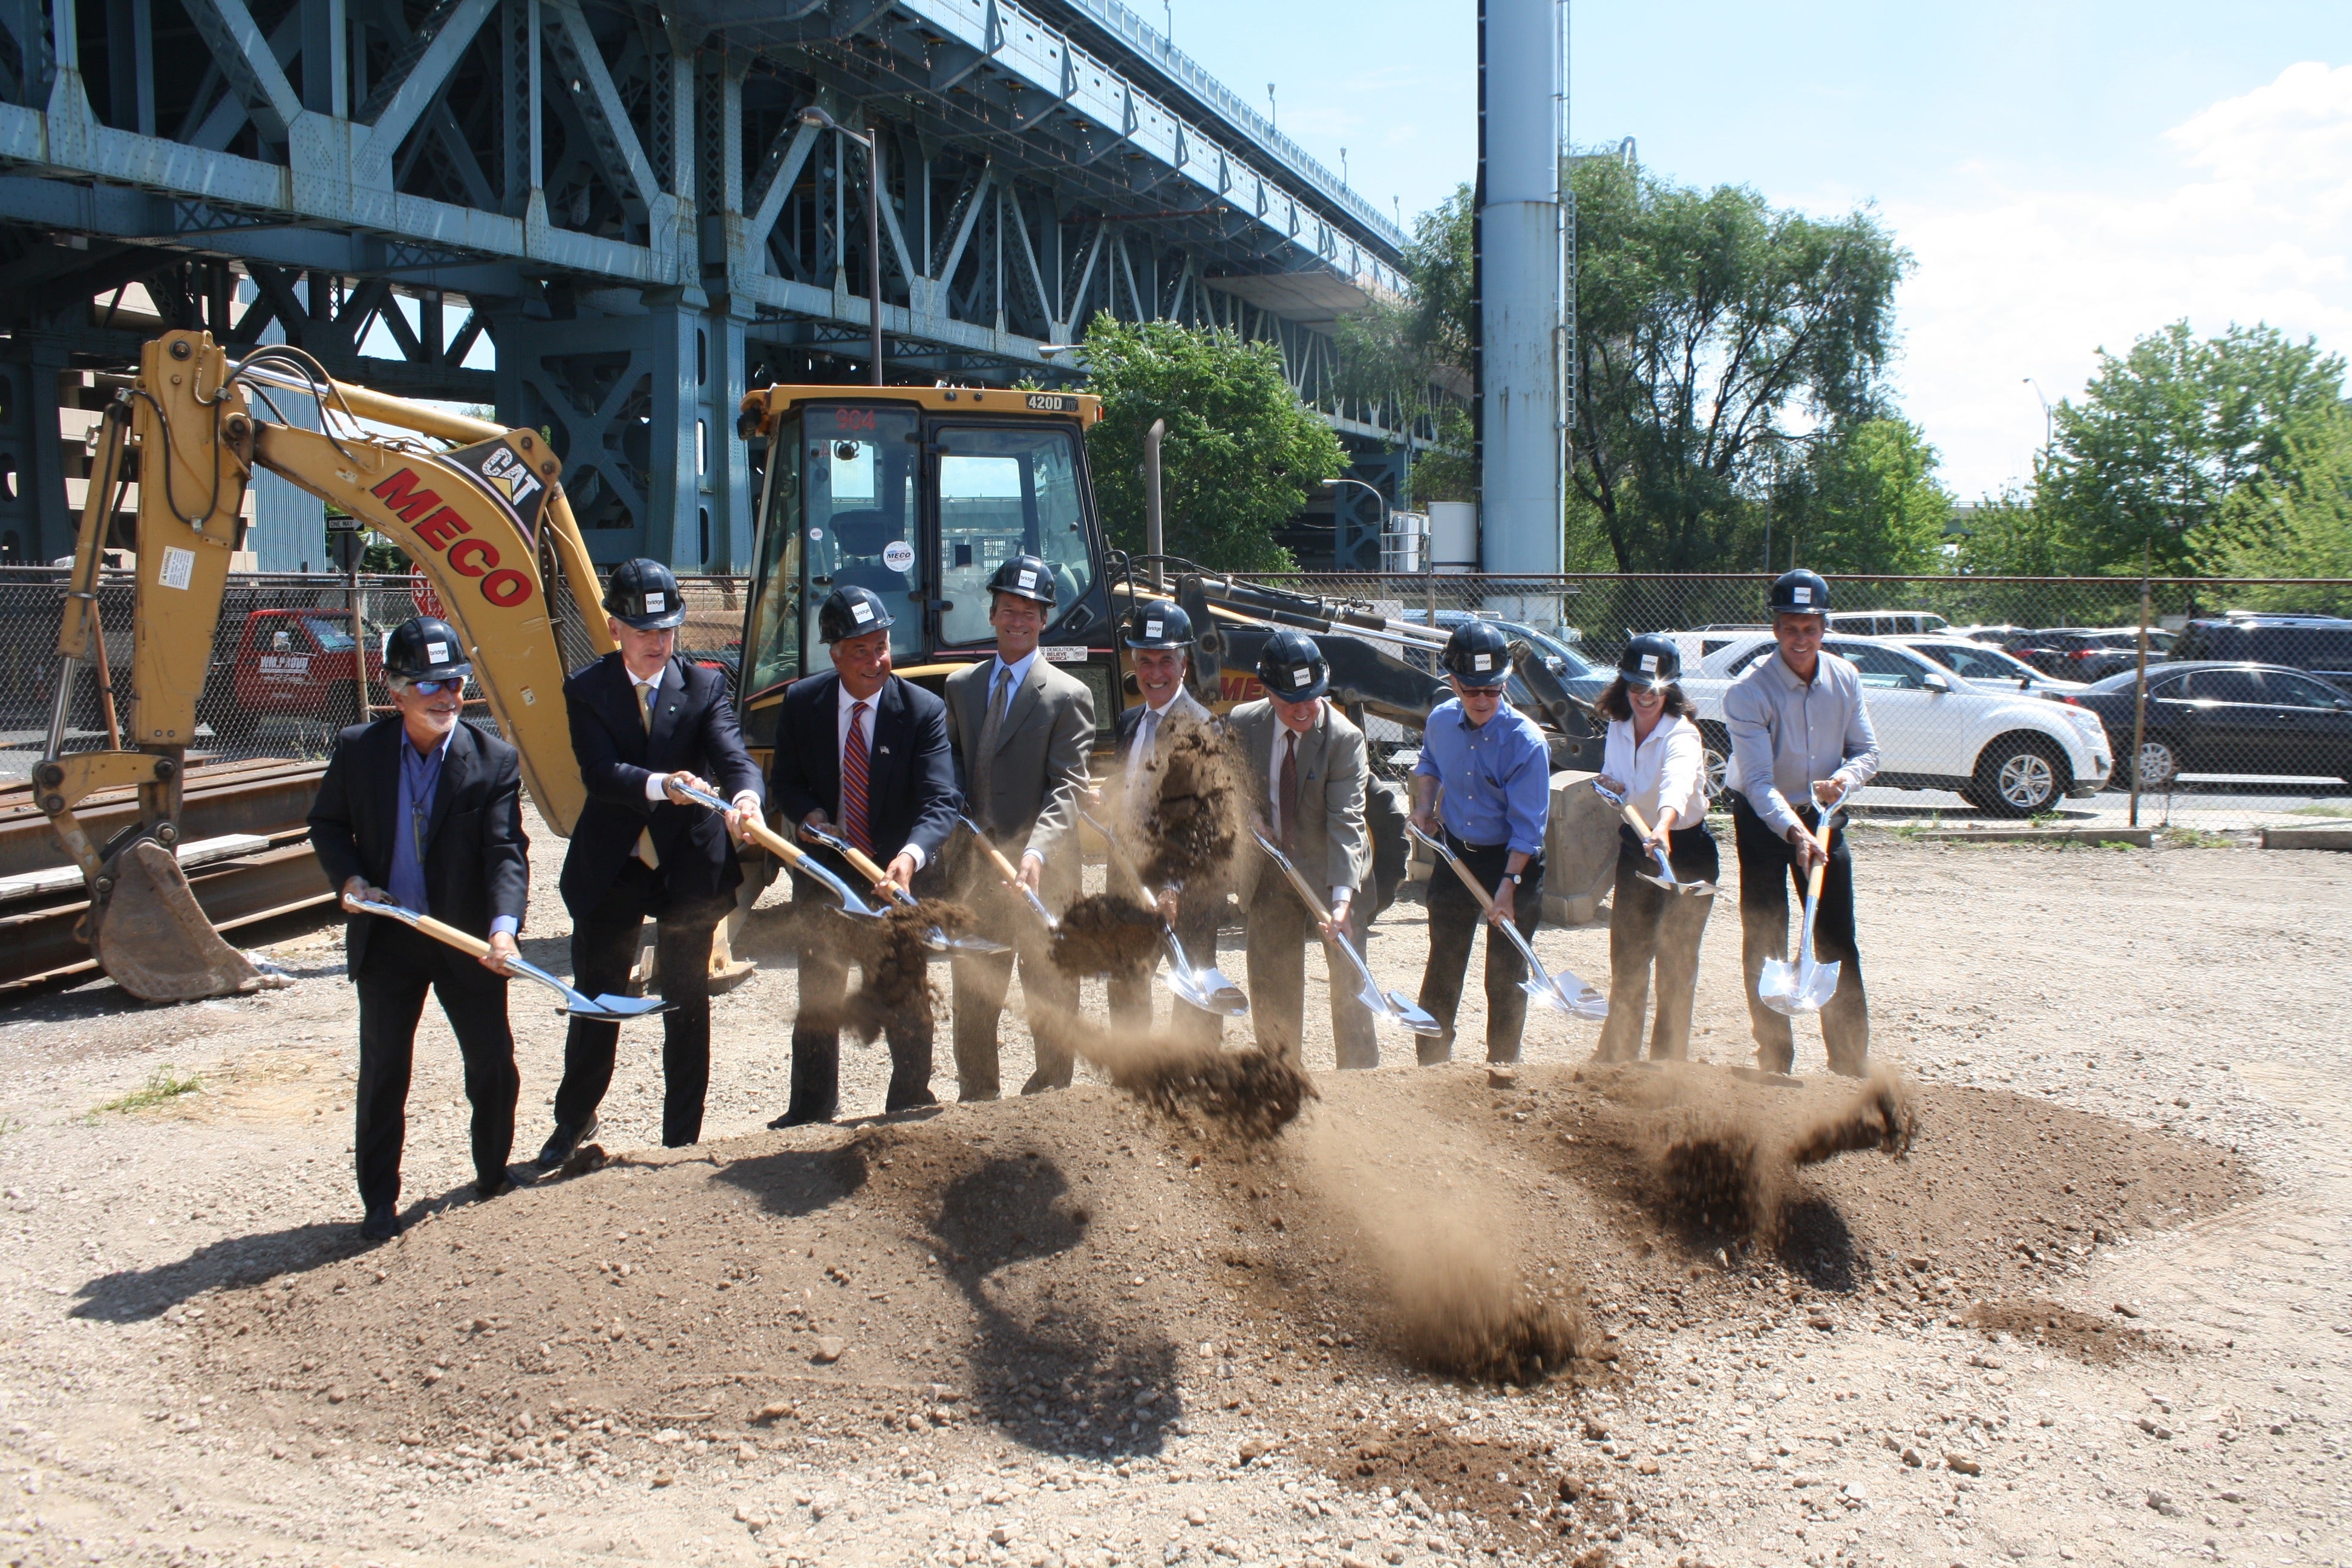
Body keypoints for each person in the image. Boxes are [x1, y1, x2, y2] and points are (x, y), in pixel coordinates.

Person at [308, 616, 528, 1241]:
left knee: (492, 1064)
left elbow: (507, 852)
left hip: (466, 942)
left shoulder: (491, 761)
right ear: (396, 690)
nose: (447, 698)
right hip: (390, 939)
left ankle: (492, 1176)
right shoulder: (360, 752)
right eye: (430, 685)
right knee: (384, 1073)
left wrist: (504, 929)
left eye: (456, 683)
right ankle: (380, 1203)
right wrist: (350, 881)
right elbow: (327, 824)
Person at [538, 559, 762, 1166]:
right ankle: (572, 1125)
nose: (658, 641)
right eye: (643, 631)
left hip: (687, 866)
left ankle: (680, 1141)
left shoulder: (705, 686)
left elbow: (733, 754)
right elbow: (600, 774)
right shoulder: (587, 691)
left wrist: (745, 797)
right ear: (615, 629)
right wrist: (665, 785)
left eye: (667, 628)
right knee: (598, 999)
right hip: (614, 866)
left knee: (686, 1003)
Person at [768, 584, 960, 1123]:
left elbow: (942, 799)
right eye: (860, 650)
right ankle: (809, 1108)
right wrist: (807, 815)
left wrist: (911, 856)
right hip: (826, 882)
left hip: (896, 881)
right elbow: (785, 780)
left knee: (903, 991)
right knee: (820, 992)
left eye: (881, 646)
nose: (876, 661)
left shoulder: (922, 711)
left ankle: (908, 1101)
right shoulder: (803, 704)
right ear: (833, 653)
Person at [944, 555, 1096, 1099]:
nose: (1018, 620)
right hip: (976, 876)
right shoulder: (961, 687)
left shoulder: (1066, 696)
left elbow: (1067, 790)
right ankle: (978, 1100)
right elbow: (952, 772)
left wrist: (1035, 854)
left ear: (1044, 621)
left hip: (1042, 879)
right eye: (1009, 608)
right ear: (992, 615)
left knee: (1050, 994)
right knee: (975, 999)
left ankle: (1049, 1103)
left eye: (1030, 612)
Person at [1723, 568, 1880, 1076]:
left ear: (1824, 627)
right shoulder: (1749, 693)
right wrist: (1795, 832)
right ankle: (1775, 1057)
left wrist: (1844, 780)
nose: (1801, 639)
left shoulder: (1846, 678)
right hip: (1765, 821)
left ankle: (1849, 1060)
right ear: (1775, 628)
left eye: (1810, 628)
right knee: (1765, 935)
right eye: (1791, 628)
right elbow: (1760, 782)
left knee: (1836, 935)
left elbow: (1867, 751)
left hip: (1827, 817)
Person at [1232, 630, 1375, 1068]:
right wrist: (1248, 816)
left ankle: (1361, 1085)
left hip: (1333, 875)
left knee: (1350, 989)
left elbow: (1346, 823)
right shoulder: (1242, 723)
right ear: (1267, 691)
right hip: (1271, 876)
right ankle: (1280, 1079)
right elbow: (1228, 785)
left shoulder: (1344, 739)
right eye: (1291, 699)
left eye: (1313, 697)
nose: (1305, 709)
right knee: (1273, 989)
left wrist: (1342, 902)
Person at [1410, 619, 1550, 1066]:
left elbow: (1529, 830)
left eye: (1493, 690)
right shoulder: (1440, 722)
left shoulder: (1525, 742)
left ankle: (1503, 1068)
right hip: (1456, 856)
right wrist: (1424, 805)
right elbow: (1429, 762)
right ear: (1454, 682)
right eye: (1472, 690)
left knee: (1506, 974)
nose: (1483, 700)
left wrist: (1507, 887)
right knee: (1444, 964)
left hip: (1514, 863)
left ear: (1505, 682)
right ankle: (1431, 1064)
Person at [1591, 635, 1716, 1063]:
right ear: (1623, 685)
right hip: (1636, 847)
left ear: (1670, 688)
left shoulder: (1683, 735)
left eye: (1655, 688)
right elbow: (1618, 780)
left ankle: (1668, 1065)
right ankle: (1617, 1058)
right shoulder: (1619, 727)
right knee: (1629, 956)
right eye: (1636, 686)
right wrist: (1610, 788)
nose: (1645, 696)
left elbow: (1677, 783)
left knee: (1676, 965)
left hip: (1685, 850)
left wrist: (1662, 826)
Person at [1108, 601, 1221, 1045]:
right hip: (1128, 871)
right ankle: (1135, 1073)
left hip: (1186, 884)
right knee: (1127, 978)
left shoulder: (1204, 728)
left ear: (1185, 664)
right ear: (1134, 663)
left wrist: (1172, 887)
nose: (1155, 673)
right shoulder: (1130, 723)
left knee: (1192, 983)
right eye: (1146, 661)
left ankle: (1197, 1080)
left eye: (1166, 661)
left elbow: (1203, 820)